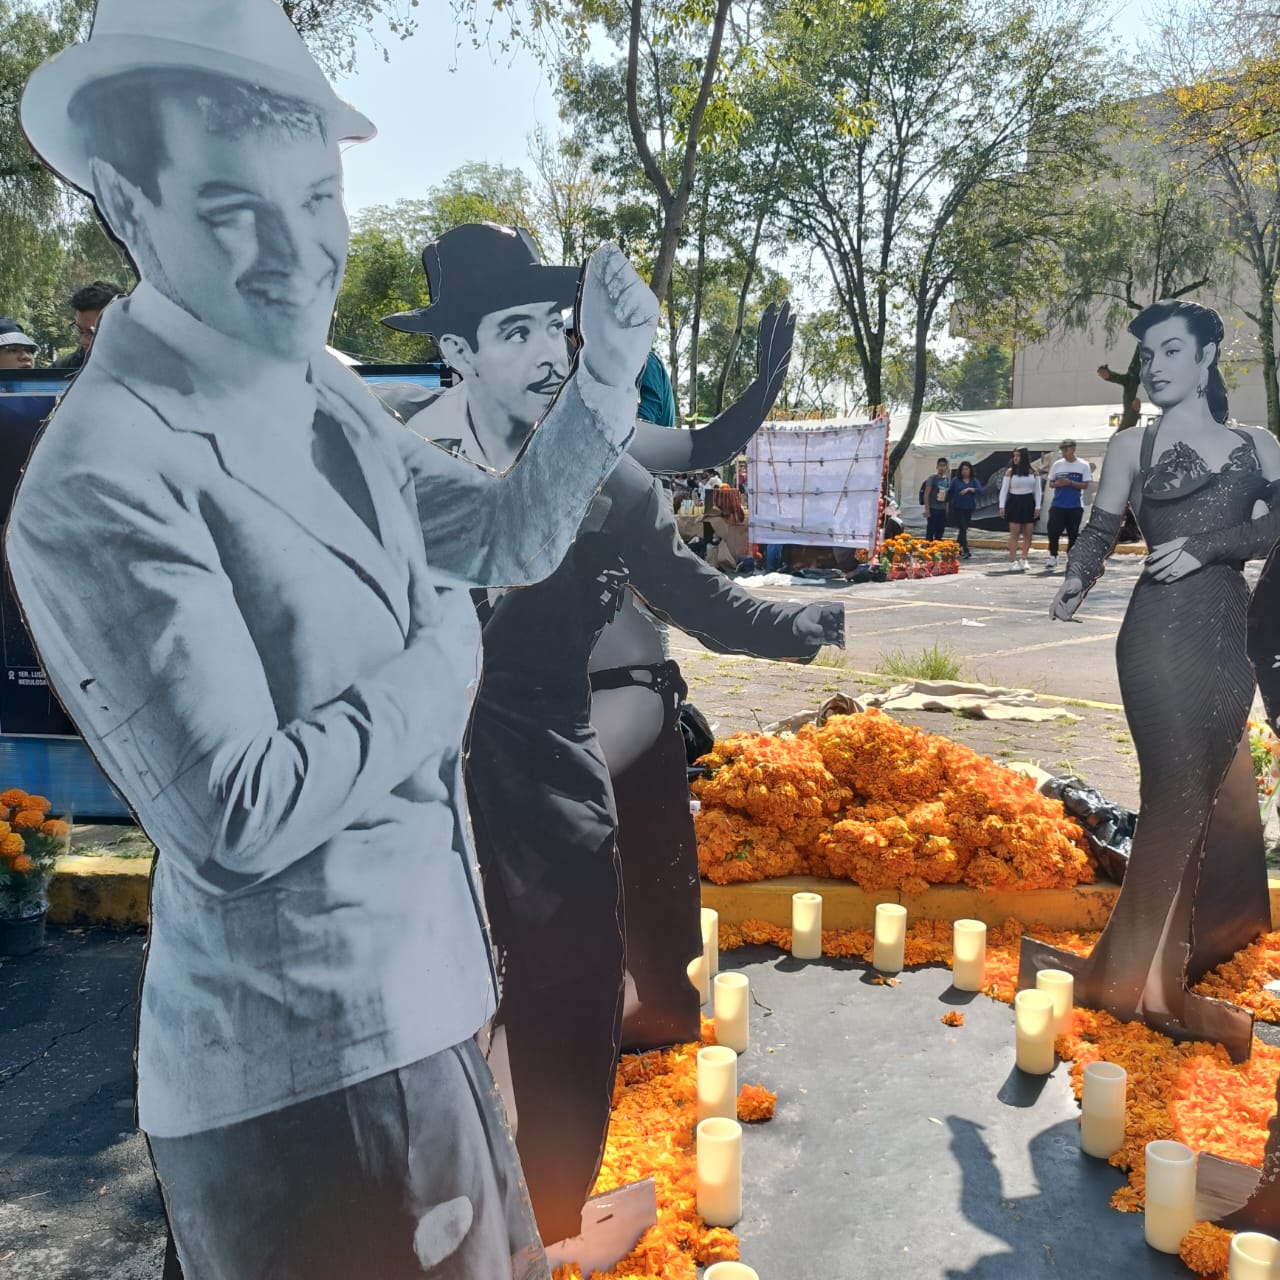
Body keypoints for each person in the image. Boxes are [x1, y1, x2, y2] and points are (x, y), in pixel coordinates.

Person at [9, 6, 654, 1277]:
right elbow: (234, 810)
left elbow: (507, 536)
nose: (297, 251)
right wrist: (436, 672)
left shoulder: (329, 391)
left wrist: (600, 387)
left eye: (317, 198)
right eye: (232, 207)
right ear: (130, 208)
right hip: (296, 1077)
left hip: (433, 1006)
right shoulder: (102, 477)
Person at [382, 223, 840, 1259]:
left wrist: (820, 625)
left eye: (559, 324)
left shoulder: (605, 462)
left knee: (571, 995)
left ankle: (541, 1219)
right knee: (436, 1015)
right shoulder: (397, 460)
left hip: (548, 769)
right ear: (456, 352)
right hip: (414, 785)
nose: (553, 350)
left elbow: (698, 594)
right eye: (518, 329)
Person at [1026, 299, 1280, 1062]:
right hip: (1158, 635)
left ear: (1206, 358)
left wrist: (1207, 545)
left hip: (1229, 631)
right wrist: (1075, 577)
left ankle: (1150, 973)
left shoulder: (1259, 443)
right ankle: (1139, 984)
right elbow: (1102, 525)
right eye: (1148, 358)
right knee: (1172, 795)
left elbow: (1275, 526)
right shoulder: (1133, 445)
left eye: (1171, 352)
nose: (1157, 368)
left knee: (1198, 800)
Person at [53, 279, 124, 368]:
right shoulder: (64, 368)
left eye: (92, 332)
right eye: (79, 331)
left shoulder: (142, 369)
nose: (83, 340)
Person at [1043, 438, 1091, 570]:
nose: (1064, 452)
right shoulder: (1057, 465)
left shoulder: (1083, 465)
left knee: (1073, 533)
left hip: (1075, 505)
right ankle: (1053, 556)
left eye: (1066, 449)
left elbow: (1086, 484)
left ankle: (1071, 557)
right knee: (1053, 531)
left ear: (1073, 449)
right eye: (1062, 449)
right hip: (1058, 504)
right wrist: (1058, 484)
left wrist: (1070, 483)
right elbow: (1051, 483)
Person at [998, 446, 1041, 570]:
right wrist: (1002, 506)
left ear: (1024, 458)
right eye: (1014, 456)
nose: (1015, 458)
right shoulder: (1010, 472)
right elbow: (1004, 490)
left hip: (1028, 502)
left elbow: (1037, 491)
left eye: (1018, 456)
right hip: (1014, 502)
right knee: (1014, 533)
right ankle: (1012, 561)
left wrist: (1038, 506)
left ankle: (1024, 558)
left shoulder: (1034, 471)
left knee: (1028, 533)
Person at [949, 461, 980, 559]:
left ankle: (956, 549)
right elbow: (950, 492)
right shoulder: (956, 480)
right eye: (963, 469)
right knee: (962, 528)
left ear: (970, 470)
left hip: (969, 507)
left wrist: (970, 489)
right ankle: (966, 550)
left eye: (966, 469)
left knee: (963, 529)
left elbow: (980, 490)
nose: (964, 471)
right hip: (958, 507)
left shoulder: (973, 480)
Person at [922, 457, 950, 540]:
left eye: (944, 466)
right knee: (930, 531)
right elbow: (926, 494)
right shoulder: (932, 478)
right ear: (937, 467)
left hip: (942, 509)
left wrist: (947, 509)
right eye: (940, 465)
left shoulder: (947, 480)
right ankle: (928, 549)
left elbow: (947, 495)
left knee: (940, 531)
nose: (942, 468)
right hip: (933, 508)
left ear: (946, 467)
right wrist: (927, 509)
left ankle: (937, 549)